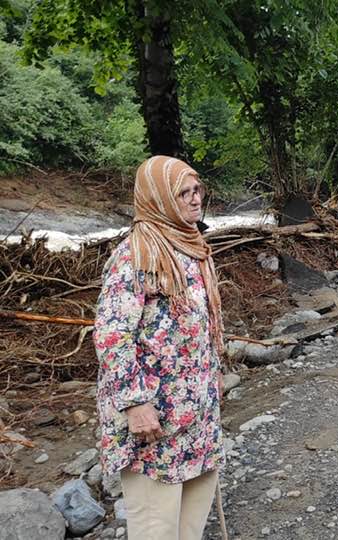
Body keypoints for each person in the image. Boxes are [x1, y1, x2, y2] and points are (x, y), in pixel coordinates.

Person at [94, 156, 225, 540]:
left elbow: (203, 324)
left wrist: (213, 373)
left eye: (196, 189)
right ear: (158, 200)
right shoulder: (136, 254)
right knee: (156, 528)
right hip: (154, 421)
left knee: (191, 524)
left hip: (196, 415)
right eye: (182, 193)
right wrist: (135, 404)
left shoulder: (192, 247)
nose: (194, 199)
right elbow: (112, 334)